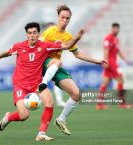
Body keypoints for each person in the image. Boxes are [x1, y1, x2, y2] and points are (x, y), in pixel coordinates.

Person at [0, 22, 85, 141]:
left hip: (37, 84)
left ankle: (41, 133)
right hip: (20, 85)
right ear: (26, 35)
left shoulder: (45, 46)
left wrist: (77, 37)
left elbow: (66, 46)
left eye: (34, 33)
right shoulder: (18, 46)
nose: (32, 35)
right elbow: (7, 52)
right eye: (29, 33)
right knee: (24, 115)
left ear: (38, 34)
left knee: (50, 102)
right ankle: (8, 118)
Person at [39, 5, 107, 135]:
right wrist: (54, 45)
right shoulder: (49, 31)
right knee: (57, 62)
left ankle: (61, 119)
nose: (64, 20)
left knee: (76, 94)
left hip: (55, 66)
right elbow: (38, 46)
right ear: (58, 18)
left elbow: (78, 54)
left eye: (67, 18)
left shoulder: (68, 36)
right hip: (42, 63)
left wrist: (96, 61)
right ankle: (42, 84)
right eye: (62, 17)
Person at [96, 23, 132, 110]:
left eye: (117, 28)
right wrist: (106, 61)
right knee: (121, 79)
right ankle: (122, 103)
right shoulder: (108, 38)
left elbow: (118, 51)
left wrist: (125, 59)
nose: (116, 30)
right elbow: (106, 49)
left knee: (105, 82)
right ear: (112, 29)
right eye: (115, 28)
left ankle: (99, 104)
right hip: (111, 63)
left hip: (112, 62)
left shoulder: (116, 39)